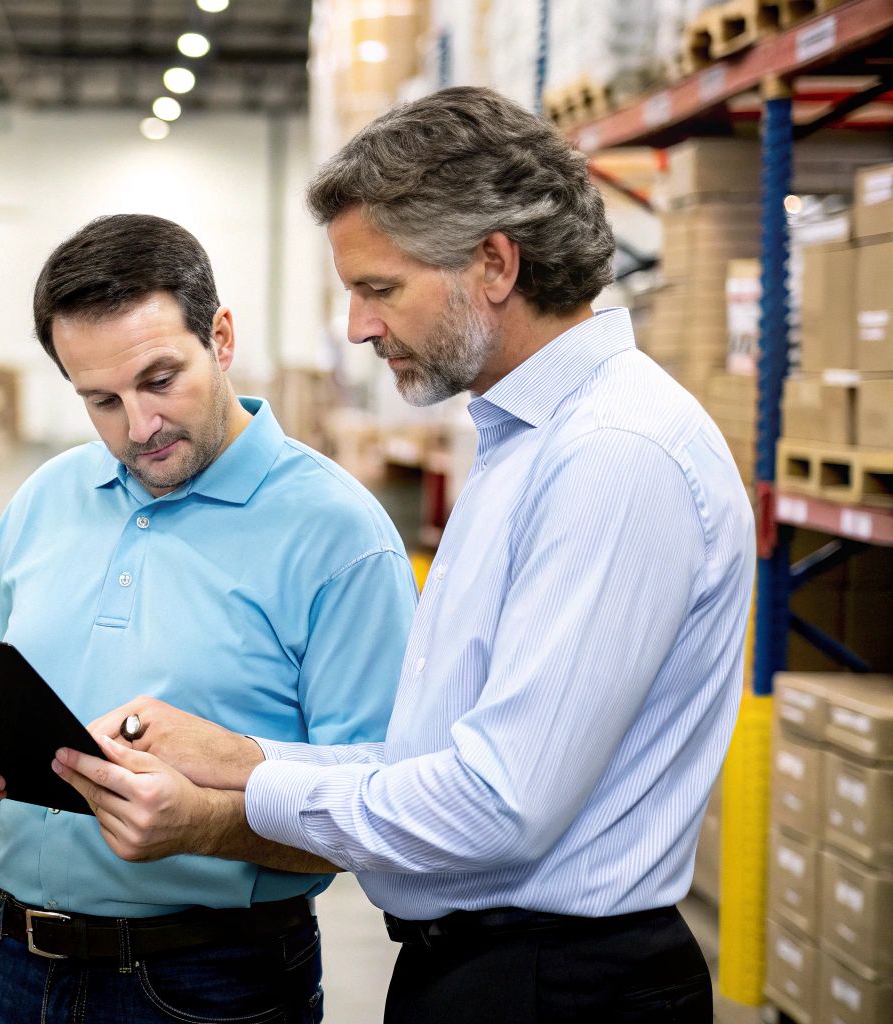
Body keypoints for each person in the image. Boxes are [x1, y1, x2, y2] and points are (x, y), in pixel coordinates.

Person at [51, 87, 753, 1023]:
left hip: (558, 985)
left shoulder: (612, 458)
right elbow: (438, 756)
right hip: (491, 969)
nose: (358, 326)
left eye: (379, 289)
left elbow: (498, 806)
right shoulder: (525, 439)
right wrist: (238, 752)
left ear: (494, 264)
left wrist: (247, 795)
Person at [0, 213, 417, 1024]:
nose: (138, 429)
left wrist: (206, 826)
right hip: (9, 966)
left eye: (160, 380)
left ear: (223, 338)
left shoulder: (338, 537)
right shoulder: (46, 497)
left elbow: (384, 815)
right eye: (100, 400)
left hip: (210, 986)